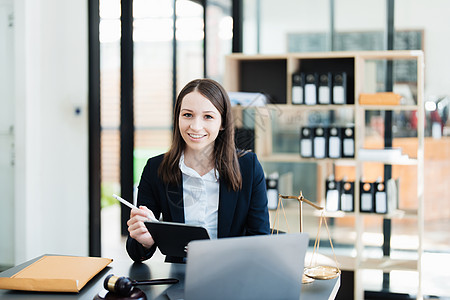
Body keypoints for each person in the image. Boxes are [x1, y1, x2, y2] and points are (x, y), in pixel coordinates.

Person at [126, 78, 270, 262]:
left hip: (233, 274)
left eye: (208, 117)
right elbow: (136, 252)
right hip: (179, 277)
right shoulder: (155, 169)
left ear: (223, 123)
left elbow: (259, 238)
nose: (195, 126)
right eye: (187, 115)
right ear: (177, 117)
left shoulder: (248, 167)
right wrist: (145, 241)